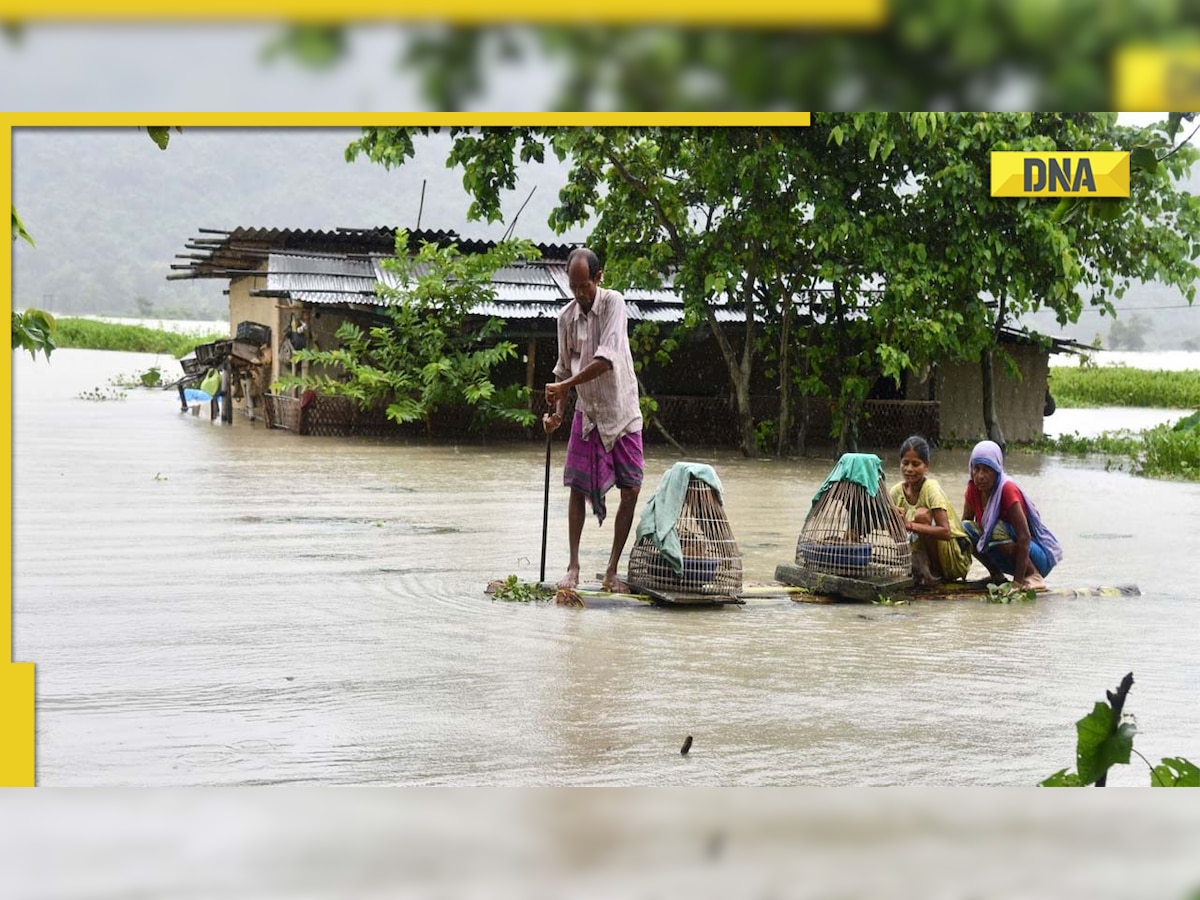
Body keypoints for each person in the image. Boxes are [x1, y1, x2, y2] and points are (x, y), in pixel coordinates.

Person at [543, 247, 644, 592]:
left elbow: (605, 360)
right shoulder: (565, 319)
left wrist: (564, 385)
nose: (580, 294)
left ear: (599, 278)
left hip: (621, 409)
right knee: (576, 486)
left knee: (631, 488)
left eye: (585, 286)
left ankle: (612, 570)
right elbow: (562, 368)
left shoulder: (613, 304)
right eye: (574, 287)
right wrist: (557, 414)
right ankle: (572, 566)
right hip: (587, 413)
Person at [961, 439, 1063, 591]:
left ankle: (1033, 576)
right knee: (965, 529)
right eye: (977, 469)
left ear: (997, 470)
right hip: (1007, 556)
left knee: (995, 528)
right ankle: (996, 575)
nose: (980, 475)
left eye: (986, 469)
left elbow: (1025, 537)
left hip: (1034, 557)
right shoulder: (973, 488)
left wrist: (1017, 582)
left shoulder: (1007, 489)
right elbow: (965, 526)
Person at [888, 435, 972, 587]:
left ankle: (935, 572)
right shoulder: (896, 492)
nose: (909, 469)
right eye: (905, 463)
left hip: (951, 557)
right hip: (919, 555)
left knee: (921, 515)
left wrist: (909, 525)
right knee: (893, 518)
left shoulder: (930, 488)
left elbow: (945, 532)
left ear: (926, 466)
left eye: (915, 464)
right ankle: (914, 569)